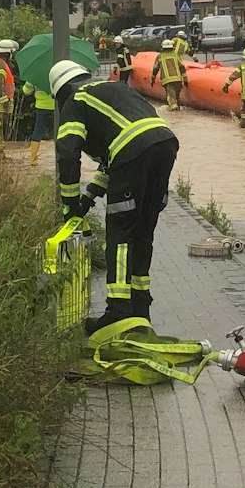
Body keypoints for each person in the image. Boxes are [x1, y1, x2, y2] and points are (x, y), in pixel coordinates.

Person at [51, 59, 180, 333]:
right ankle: (140, 307)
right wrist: (89, 197)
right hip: (164, 145)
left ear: (59, 91)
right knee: (143, 230)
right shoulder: (111, 89)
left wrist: (70, 207)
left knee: (121, 231)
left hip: (134, 153)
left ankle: (118, 311)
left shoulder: (74, 99)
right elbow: (114, 161)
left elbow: (68, 154)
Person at [20, 70, 57, 167]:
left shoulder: (35, 73)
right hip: (56, 107)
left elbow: (26, 91)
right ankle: (60, 157)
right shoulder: (57, 72)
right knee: (58, 131)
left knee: (38, 131)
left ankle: (33, 159)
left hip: (41, 106)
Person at [155, 35, 189, 111]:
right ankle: (178, 109)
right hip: (178, 79)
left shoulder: (160, 57)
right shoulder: (176, 55)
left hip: (167, 80)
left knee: (171, 96)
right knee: (177, 96)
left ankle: (174, 112)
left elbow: (155, 68)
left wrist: (152, 78)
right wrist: (185, 79)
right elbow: (182, 67)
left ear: (162, 48)